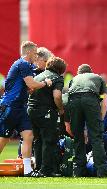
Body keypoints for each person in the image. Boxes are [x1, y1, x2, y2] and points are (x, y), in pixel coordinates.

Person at [0, 41, 52, 177]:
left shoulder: (25, 65)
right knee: (4, 139)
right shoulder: (22, 64)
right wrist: (45, 83)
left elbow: (28, 87)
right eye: (35, 53)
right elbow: (31, 83)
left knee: (28, 135)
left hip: (21, 107)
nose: (36, 56)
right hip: (10, 106)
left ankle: (28, 170)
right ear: (28, 52)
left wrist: (31, 88)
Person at [68, 64, 107, 177]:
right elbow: (104, 103)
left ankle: (78, 171)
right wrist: (99, 120)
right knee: (96, 137)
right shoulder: (98, 78)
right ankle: (102, 171)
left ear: (79, 73)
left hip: (74, 101)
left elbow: (67, 99)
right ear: (90, 71)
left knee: (78, 137)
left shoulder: (73, 79)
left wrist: (67, 121)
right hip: (91, 100)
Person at [28, 57, 66, 177]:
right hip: (46, 111)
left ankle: (38, 168)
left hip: (31, 110)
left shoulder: (39, 76)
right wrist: (60, 109)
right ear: (61, 69)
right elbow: (57, 96)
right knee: (49, 140)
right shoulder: (58, 78)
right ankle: (46, 170)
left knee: (38, 140)